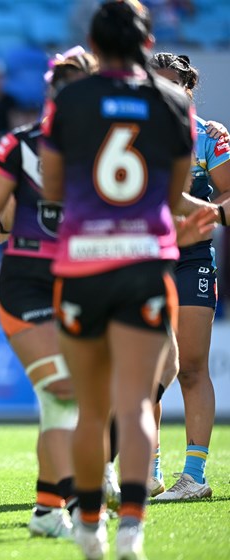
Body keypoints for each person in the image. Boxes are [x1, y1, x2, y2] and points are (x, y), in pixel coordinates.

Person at [38, 2, 203, 557]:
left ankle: (89, 526)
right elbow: (175, 194)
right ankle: (132, 525)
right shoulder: (175, 102)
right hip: (146, 264)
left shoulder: (70, 99)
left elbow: (53, 186)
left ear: (94, 42)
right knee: (135, 402)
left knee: (91, 407)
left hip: (84, 263)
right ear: (146, 38)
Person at [0, 47, 98, 539]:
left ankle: (45, 510)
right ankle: (82, 504)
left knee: (67, 403)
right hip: (28, 279)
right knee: (64, 389)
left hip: (88, 278)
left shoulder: (111, 146)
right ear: (50, 91)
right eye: (62, 82)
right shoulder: (18, 145)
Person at [148, 52, 230, 501]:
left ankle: (194, 476)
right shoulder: (128, 134)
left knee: (192, 367)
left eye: (171, 81)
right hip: (142, 259)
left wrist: (206, 215)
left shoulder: (208, 138)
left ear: (188, 87)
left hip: (191, 259)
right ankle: (150, 472)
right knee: (147, 370)